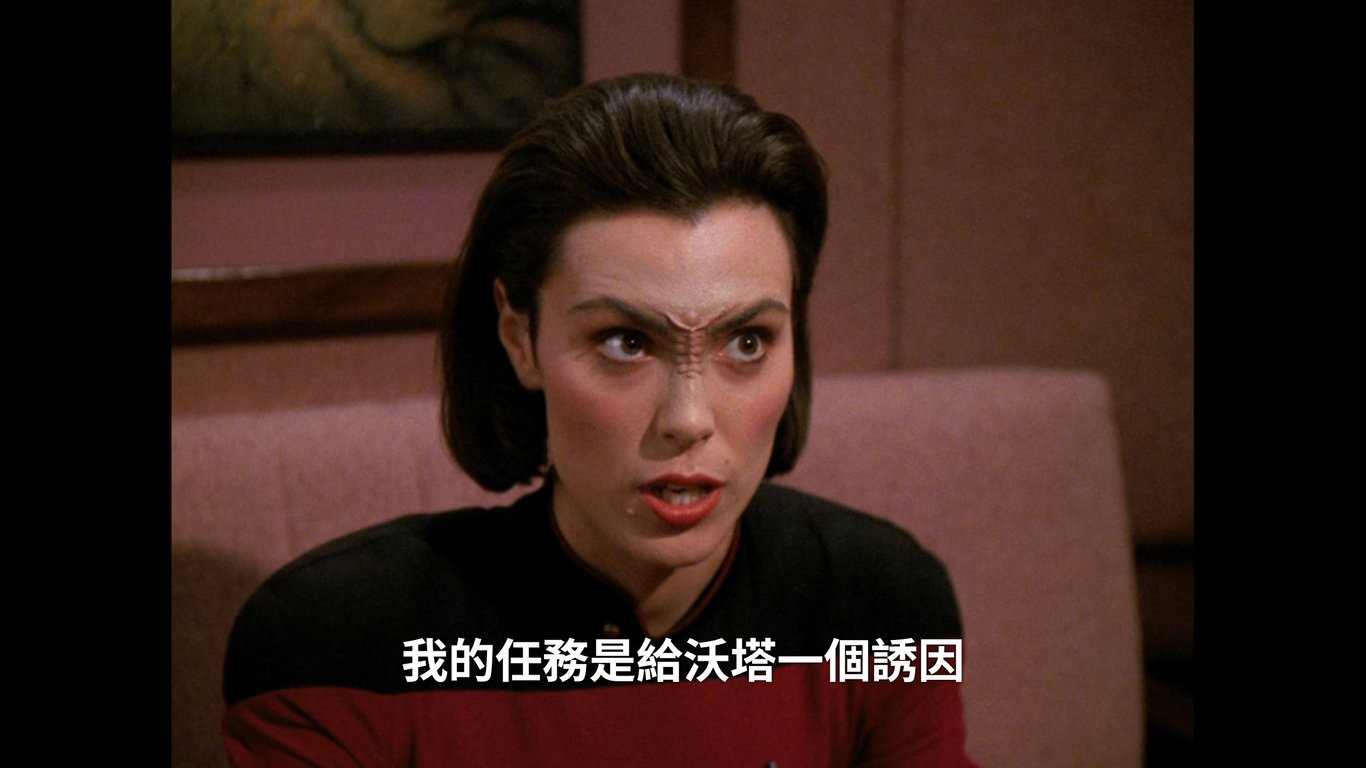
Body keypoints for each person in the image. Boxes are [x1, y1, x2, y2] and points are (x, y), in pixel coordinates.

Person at [222, 72, 976, 767]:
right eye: (625, 342)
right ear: (520, 338)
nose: (688, 419)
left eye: (747, 342)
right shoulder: (337, 645)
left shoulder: (880, 606)